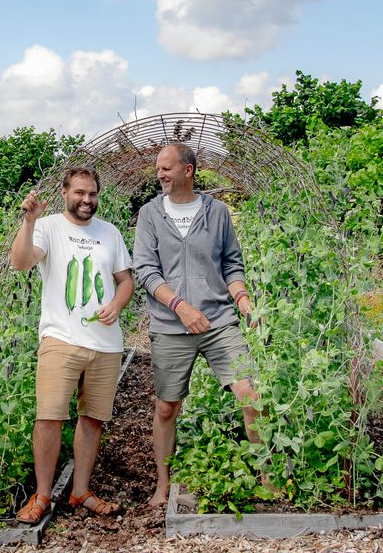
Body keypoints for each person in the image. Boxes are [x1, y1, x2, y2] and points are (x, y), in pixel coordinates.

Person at [132, 143, 262, 508]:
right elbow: (144, 269)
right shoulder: (150, 214)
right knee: (166, 408)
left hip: (218, 319)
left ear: (188, 170)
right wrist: (180, 306)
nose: (159, 174)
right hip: (171, 325)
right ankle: (163, 484)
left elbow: (232, 265)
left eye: (166, 168)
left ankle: (267, 475)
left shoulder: (217, 212)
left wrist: (243, 301)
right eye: (158, 168)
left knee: (249, 394)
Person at [10, 166, 135, 523]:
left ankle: (81, 491)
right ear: (65, 193)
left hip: (106, 344)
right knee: (49, 416)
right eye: (80, 193)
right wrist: (29, 221)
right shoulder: (48, 227)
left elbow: (125, 281)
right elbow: (20, 263)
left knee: (92, 419)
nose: (87, 200)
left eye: (92, 193)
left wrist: (116, 303)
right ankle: (43, 495)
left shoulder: (109, 233)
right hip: (61, 339)